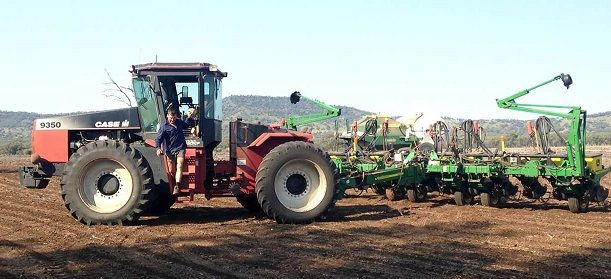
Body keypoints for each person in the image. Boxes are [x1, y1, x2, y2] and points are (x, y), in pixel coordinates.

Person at [155, 110, 188, 195]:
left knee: (180, 165)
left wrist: (190, 117)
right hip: (169, 151)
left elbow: (187, 125)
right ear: (167, 116)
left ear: (176, 116)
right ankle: (174, 182)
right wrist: (158, 148)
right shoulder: (164, 127)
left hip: (181, 148)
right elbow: (158, 139)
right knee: (171, 170)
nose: (172, 119)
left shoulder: (180, 123)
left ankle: (177, 186)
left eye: (173, 117)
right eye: (170, 118)